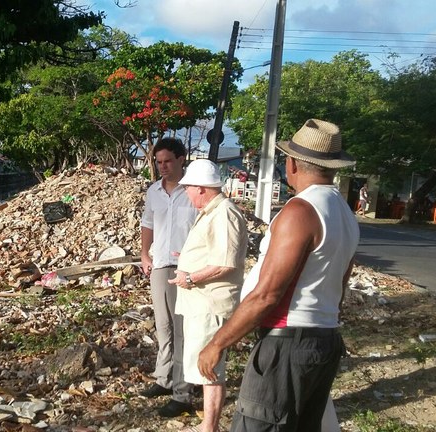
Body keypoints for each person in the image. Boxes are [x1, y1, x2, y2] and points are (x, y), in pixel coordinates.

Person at [198, 119, 359, 432]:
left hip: (288, 343)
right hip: (323, 340)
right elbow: (341, 283)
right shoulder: (344, 212)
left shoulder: (300, 210)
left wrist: (217, 343)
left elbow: (267, 293)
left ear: (293, 164)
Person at [167, 159, 248, 432]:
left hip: (210, 304)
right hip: (200, 303)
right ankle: (207, 423)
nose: (186, 192)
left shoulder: (223, 213)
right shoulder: (211, 211)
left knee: (209, 368)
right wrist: (188, 261)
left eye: (188, 187)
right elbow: (213, 253)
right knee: (204, 366)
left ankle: (209, 427)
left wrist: (189, 277)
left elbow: (226, 262)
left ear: (201, 188)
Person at [139, 137, 200, 417]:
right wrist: (144, 255)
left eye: (167, 161)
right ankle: (164, 379)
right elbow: (147, 224)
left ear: (181, 159)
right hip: (160, 265)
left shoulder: (195, 191)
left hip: (187, 267)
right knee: (163, 326)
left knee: (182, 330)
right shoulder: (154, 191)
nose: (162, 167)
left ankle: (182, 393)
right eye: (159, 162)